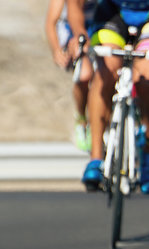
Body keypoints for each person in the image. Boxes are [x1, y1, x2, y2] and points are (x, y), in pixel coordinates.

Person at [67, 0, 149, 193]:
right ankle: (95, 158)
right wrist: (79, 33)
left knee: (146, 78)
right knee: (105, 72)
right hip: (112, 13)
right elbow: (75, 3)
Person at [45, 0, 96, 152]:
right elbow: (50, 23)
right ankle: (81, 119)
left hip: (98, 28)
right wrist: (56, 50)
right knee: (85, 75)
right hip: (72, 33)